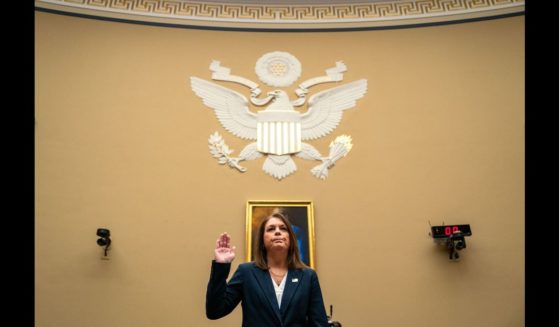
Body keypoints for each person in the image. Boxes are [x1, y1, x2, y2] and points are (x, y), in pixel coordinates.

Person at [206, 210, 329, 326]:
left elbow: (319, 323)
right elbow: (215, 311)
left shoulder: (308, 276)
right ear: (262, 240)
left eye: (283, 228)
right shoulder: (246, 272)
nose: (277, 232)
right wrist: (221, 266)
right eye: (271, 229)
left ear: (291, 238)